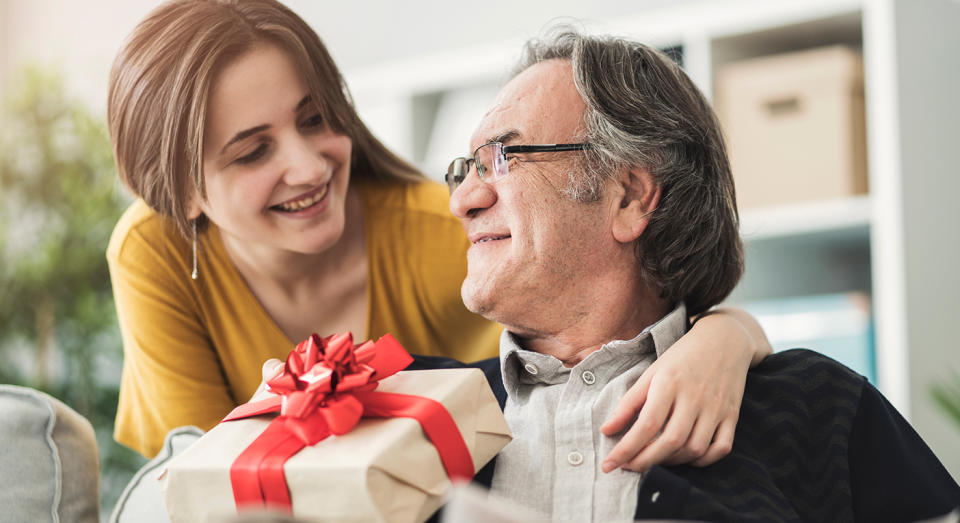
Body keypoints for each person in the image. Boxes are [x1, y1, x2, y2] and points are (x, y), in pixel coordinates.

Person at [105, 0, 772, 465]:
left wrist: (726, 333)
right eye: (252, 152)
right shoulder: (154, 254)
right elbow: (197, 475)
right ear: (182, 192)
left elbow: (613, 324)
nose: (307, 166)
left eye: (314, 119)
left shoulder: (448, 228)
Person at [406, 28, 960, 521]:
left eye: (503, 155)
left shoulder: (819, 407)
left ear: (629, 196)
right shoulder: (408, 406)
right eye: (465, 169)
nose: (464, 201)